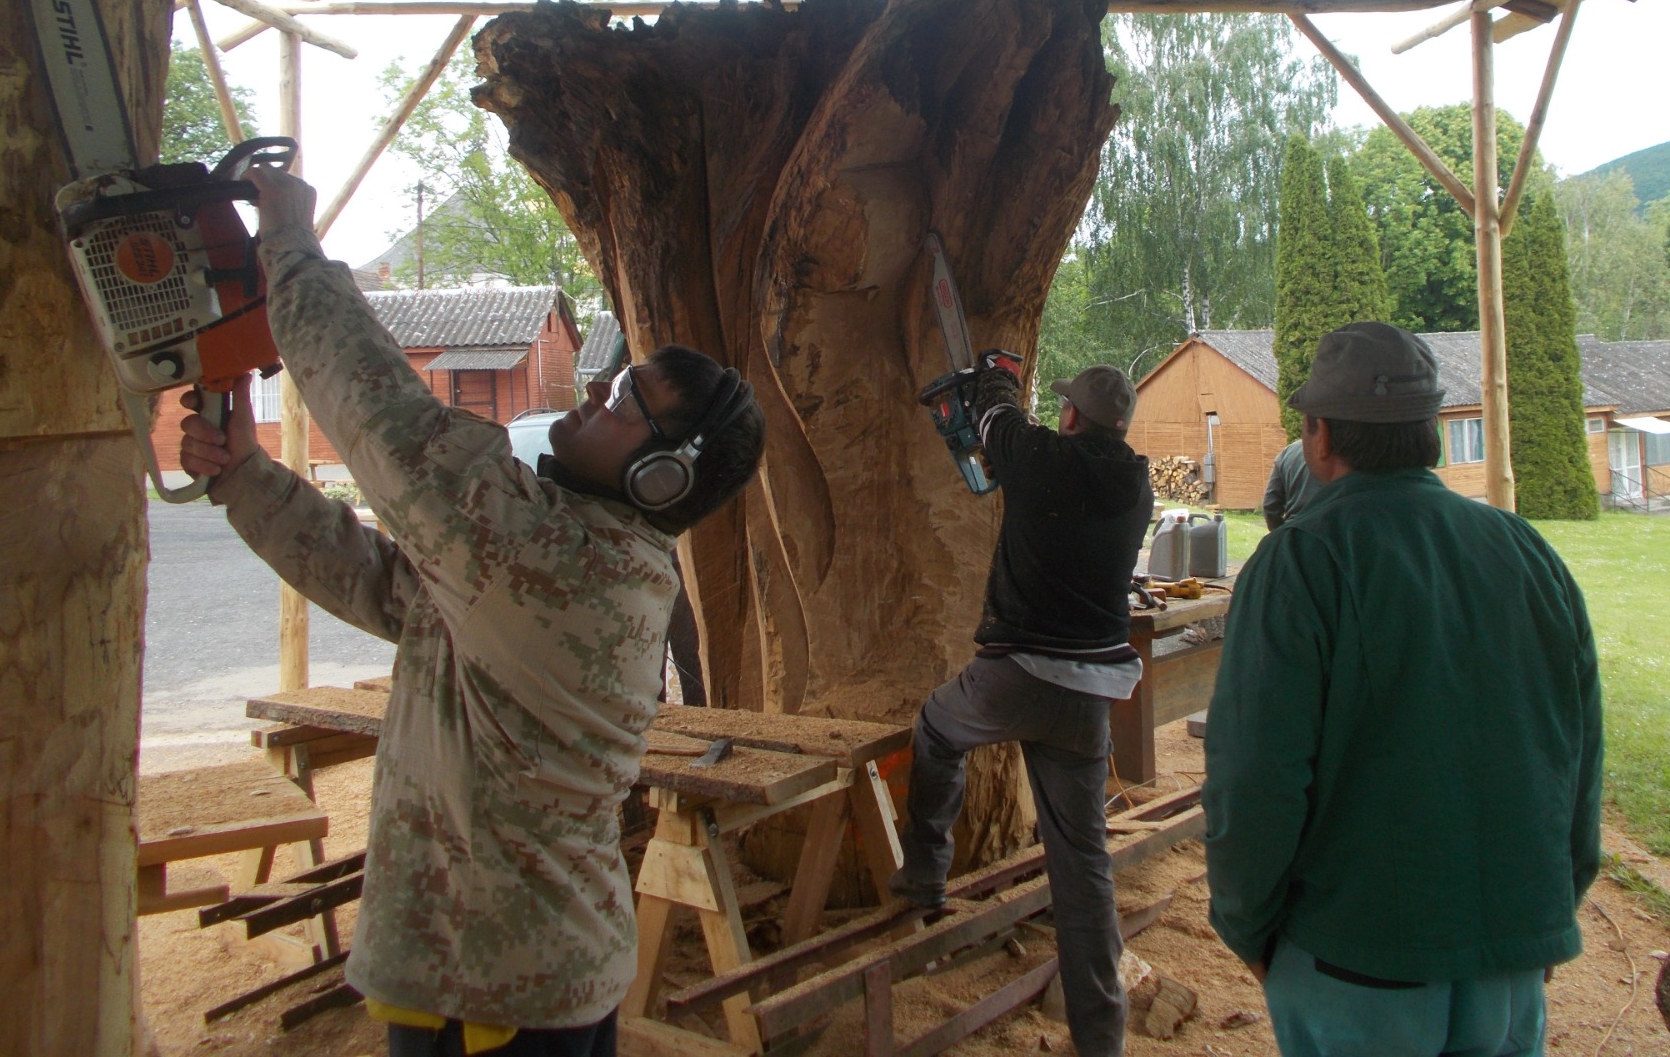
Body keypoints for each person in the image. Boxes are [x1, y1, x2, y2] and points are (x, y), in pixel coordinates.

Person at [177, 164, 765, 1057]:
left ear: (664, 474)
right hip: (489, 969)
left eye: (624, 400)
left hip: (498, 995)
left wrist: (290, 243)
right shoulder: (566, 555)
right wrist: (246, 479)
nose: (594, 392)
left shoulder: (556, 558)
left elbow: (384, 418)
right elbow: (393, 590)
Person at [1203, 322, 1603, 1057]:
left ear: (1318, 437)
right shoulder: (1528, 551)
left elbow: (1256, 778)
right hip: (1509, 953)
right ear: (1431, 435)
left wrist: (1245, 924)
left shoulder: (1299, 563)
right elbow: (1574, 754)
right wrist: (1548, 909)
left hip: (1356, 961)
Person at [891, 362, 1155, 1057]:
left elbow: (1001, 427)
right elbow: (1013, 444)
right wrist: (998, 405)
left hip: (1014, 673)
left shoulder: (1041, 461)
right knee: (1082, 859)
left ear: (1072, 417)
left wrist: (995, 392)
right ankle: (1102, 1034)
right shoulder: (1134, 484)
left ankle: (925, 872)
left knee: (936, 730)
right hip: (1086, 694)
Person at [1259, 435, 1319, 531]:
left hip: (1293, 533)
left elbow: (1270, 506)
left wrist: (1281, 535)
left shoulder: (1287, 453)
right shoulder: (1341, 455)